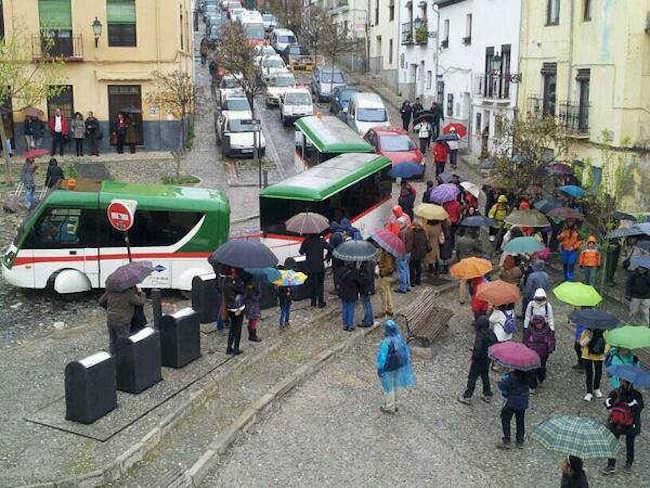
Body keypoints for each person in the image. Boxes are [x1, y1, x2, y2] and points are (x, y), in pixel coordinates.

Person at [603, 378, 644, 475]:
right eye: (621, 380)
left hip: (631, 423)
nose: (622, 382)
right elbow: (607, 404)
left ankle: (629, 463)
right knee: (613, 443)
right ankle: (611, 465)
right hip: (616, 423)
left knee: (630, 443)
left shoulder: (636, 395)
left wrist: (628, 407)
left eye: (624, 381)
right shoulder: (615, 392)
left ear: (629, 383)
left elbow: (639, 408)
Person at [376, 319, 416, 413]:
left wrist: (379, 369)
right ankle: (396, 404)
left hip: (388, 368)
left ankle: (390, 407)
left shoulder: (386, 342)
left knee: (388, 388)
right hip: (399, 366)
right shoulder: (399, 338)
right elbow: (405, 352)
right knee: (396, 385)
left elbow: (382, 358)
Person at [458, 316, 497, 405]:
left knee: (472, 378)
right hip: (487, 359)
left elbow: (478, 349)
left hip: (479, 361)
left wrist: (474, 356)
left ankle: (467, 396)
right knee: (485, 375)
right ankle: (487, 394)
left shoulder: (480, 335)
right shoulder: (491, 332)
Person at [523, 288, 556, 391]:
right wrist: (525, 328)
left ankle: (540, 378)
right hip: (532, 330)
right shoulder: (531, 305)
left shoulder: (547, 306)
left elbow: (550, 318)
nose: (540, 300)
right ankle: (534, 382)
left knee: (542, 365)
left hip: (545, 330)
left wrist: (552, 329)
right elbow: (527, 316)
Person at [99, 286, 146, 355]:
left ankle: (113, 357)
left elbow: (101, 302)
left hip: (111, 318)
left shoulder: (110, 291)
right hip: (123, 320)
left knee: (112, 340)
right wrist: (141, 292)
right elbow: (141, 302)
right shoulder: (128, 293)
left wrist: (108, 309)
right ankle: (123, 358)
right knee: (123, 341)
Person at [497, 369, 529, 449]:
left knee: (505, 418)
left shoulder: (512, 376)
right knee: (520, 421)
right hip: (523, 402)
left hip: (512, 402)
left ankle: (507, 440)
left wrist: (501, 381)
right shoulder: (528, 376)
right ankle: (520, 441)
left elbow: (502, 386)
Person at [299, 233, 331, 308]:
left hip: (309, 268)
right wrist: (326, 257)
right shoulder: (321, 240)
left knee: (311, 285)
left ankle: (313, 302)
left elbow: (301, 252)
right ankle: (320, 302)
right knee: (320, 285)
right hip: (320, 267)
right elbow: (331, 248)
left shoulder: (306, 241)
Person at [579, 327, 608, 401]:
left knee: (598, 372)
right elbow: (582, 343)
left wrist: (604, 351)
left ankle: (596, 388)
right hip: (587, 355)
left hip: (599, 356)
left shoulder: (604, 332)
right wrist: (589, 337)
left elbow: (608, 343)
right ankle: (589, 392)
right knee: (589, 373)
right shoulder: (586, 331)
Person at [223, 269, 246, 355]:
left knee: (232, 328)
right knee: (238, 329)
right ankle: (236, 348)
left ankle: (229, 348)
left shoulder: (225, 281)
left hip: (229, 308)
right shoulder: (235, 282)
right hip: (237, 308)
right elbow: (242, 291)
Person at [338, 262, 359, 331]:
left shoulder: (341, 270)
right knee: (351, 309)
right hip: (352, 293)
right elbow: (358, 282)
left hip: (343, 292)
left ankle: (345, 324)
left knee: (344, 308)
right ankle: (350, 325)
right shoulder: (355, 272)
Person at [408, 221, 429, 287]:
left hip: (414, 253)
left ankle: (412, 281)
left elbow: (411, 244)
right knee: (419, 266)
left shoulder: (413, 233)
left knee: (412, 267)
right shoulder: (423, 232)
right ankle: (418, 280)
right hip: (421, 253)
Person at [395, 217, 412, 293]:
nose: (397, 225)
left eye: (398, 224)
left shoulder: (401, 232)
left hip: (402, 253)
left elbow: (400, 244)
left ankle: (402, 287)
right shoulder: (409, 230)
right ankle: (408, 286)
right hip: (408, 252)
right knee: (406, 268)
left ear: (402, 224)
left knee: (401, 270)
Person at [376, 247, 394, 318]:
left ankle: (384, 310)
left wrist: (381, 272)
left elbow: (389, 267)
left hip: (385, 276)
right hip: (387, 276)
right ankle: (390, 308)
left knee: (383, 293)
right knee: (387, 291)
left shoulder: (386, 254)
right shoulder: (387, 253)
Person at [358, 259, 376, 327]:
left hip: (365, 288)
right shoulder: (371, 263)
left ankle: (368, 321)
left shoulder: (365, 265)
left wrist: (360, 276)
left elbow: (365, 278)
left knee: (366, 305)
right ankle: (369, 319)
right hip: (368, 287)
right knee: (368, 304)